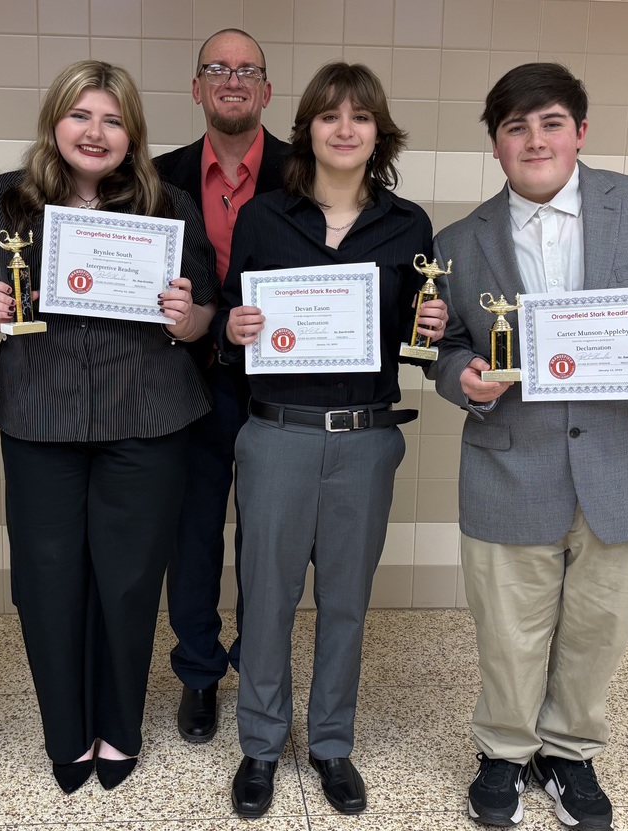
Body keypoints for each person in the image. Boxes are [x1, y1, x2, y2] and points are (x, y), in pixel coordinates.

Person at [428, 63, 628, 830]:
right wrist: (464, 376)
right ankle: (502, 749)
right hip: (510, 460)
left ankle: (568, 750)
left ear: (580, 131)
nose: (535, 139)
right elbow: (449, 346)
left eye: (551, 122)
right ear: (495, 145)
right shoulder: (457, 242)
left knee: (600, 625)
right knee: (507, 627)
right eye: (515, 127)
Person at [0, 60, 217, 795]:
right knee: (46, 581)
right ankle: (65, 733)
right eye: (81, 116)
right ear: (55, 123)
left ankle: (120, 725)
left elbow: (203, 319)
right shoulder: (1, 201)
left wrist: (186, 314)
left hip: (149, 412)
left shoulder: (170, 205)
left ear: (131, 131)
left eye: (112, 118)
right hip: (42, 412)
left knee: (131, 582)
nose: (95, 132)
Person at [216, 62, 448, 817]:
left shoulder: (408, 224)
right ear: (307, 128)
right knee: (269, 600)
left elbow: (416, 333)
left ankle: (330, 744)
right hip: (276, 432)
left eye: (359, 116)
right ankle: (259, 743)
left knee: (346, 601)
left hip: (365, 438)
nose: (344, 128)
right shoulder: (263, 218)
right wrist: (233, 324)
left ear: (378, 132)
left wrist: (432, 327)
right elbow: (228, 320)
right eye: (328, 116)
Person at [153, 27, 289, 744]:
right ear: (197, 87)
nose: (232, 80)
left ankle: (262, 667)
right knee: (195, 536)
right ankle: (200, 673)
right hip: (188, 386)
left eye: (247, 70)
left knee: (268, 541)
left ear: (266, 91)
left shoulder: (306, 172)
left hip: (283, 391)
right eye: (217, 68)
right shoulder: (154, 177)